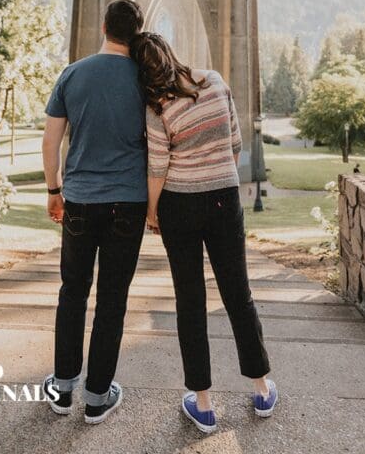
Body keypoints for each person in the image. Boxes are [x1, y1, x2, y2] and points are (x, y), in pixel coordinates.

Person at [130, 31, 277, 434]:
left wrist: (153, 212)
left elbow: (157, 167)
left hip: (179, 204)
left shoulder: (156, 106)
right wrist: (220, 177)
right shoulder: (214, 81)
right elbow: (234, 142)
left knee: (190, 301)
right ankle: (262, 389)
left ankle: (204, 403)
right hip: (223, 198)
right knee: (237, 293)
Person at [41, 0, 147, 425]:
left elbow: (51, 142)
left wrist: (54, 190)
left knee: (73, 292)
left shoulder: (73, 73)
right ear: (137, 34)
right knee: (112, 300)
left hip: (80, 200)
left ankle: (63, 388)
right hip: (129, 202)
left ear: (104, 26)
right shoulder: (146, 79)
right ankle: (98, 397)